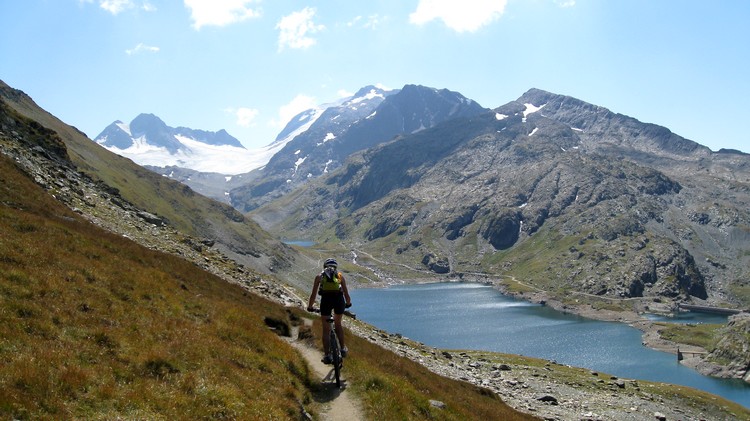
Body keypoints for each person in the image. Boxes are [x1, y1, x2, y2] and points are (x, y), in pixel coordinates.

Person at [307, 258, 352, 364]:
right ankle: (342, 349)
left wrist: (310, 306)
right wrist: (348, 304)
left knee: (326, 330)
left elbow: (313, 294)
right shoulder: (340, 276)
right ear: (336, 267)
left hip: (326, 302)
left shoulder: (319, 277)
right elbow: (346, 294)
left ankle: (327, 355)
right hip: (339, 301)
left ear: (324, 266)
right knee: (338, 324)